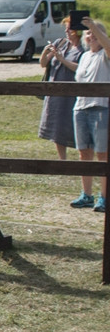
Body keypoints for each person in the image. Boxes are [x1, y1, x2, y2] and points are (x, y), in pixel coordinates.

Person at [62, 17, 110, 212]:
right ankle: (87, 195)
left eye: (95, 32)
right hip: (80, 107)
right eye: (88, 33)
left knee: (103, 154)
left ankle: (104, 197)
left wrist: (94, 27)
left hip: (101, 108)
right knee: (84, 153)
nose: (91, 35)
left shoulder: (105, 55)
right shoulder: (84, 56)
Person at [38, 17, 80, 164]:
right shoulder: (60, 43)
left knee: (69, 124)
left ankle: (85, 157)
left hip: (71, 93)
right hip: (55, 92)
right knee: (56, 125)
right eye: (66, 28)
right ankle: (62, 160)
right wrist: (45, 52)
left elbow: (80, 68)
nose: (66, 31)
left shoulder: (84, 49)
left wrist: (62, 60)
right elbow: (43, 64)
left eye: (70, 29)